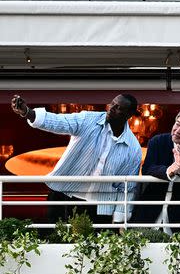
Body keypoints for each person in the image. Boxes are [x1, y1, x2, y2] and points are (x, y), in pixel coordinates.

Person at [10, 94, 142, 225]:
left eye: (118, 108)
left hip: (99, 206)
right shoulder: (87, 119)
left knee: (94, 245)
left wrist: (120, 220)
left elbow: (127, 187)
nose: (111, 108)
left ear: (129, 115)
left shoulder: (133, 148)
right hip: (64, 195)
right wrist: (27, 112)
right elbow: (58, 122)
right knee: (56, 241)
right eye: (112, 103)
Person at [130, 107, 180, 233]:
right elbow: (147, 168)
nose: (177, 131)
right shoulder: (158, 141)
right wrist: (168, 171)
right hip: (149, 208)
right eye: (177, 124)